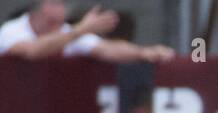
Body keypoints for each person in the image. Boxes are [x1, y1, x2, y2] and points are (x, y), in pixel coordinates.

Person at [0, 1, 173, 62]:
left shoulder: (69, 33)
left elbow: (105, 49)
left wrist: (143, 53)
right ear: (38, 8)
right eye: (55, 2)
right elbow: (32, 51)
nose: (62, 8)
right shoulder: (12, 30)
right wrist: (81, 29)